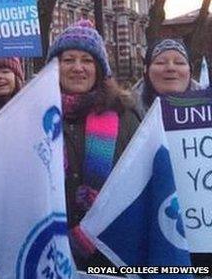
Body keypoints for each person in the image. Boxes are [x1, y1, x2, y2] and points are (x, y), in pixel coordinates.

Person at [46, 19, 140, 269]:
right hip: (50, 251)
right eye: (68, 60)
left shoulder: (125, 115)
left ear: (100, 68)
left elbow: (139, 180)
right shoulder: (35, 114)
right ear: (55, 67)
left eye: (87, 60)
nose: (78, 68)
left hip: (113, 251)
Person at [133, 38, 201, 117]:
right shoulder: (123, 113)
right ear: (146, 69)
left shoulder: (208, 106)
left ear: (190, 70)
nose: (171, 68)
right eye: (160, 63)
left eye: (179, 63)